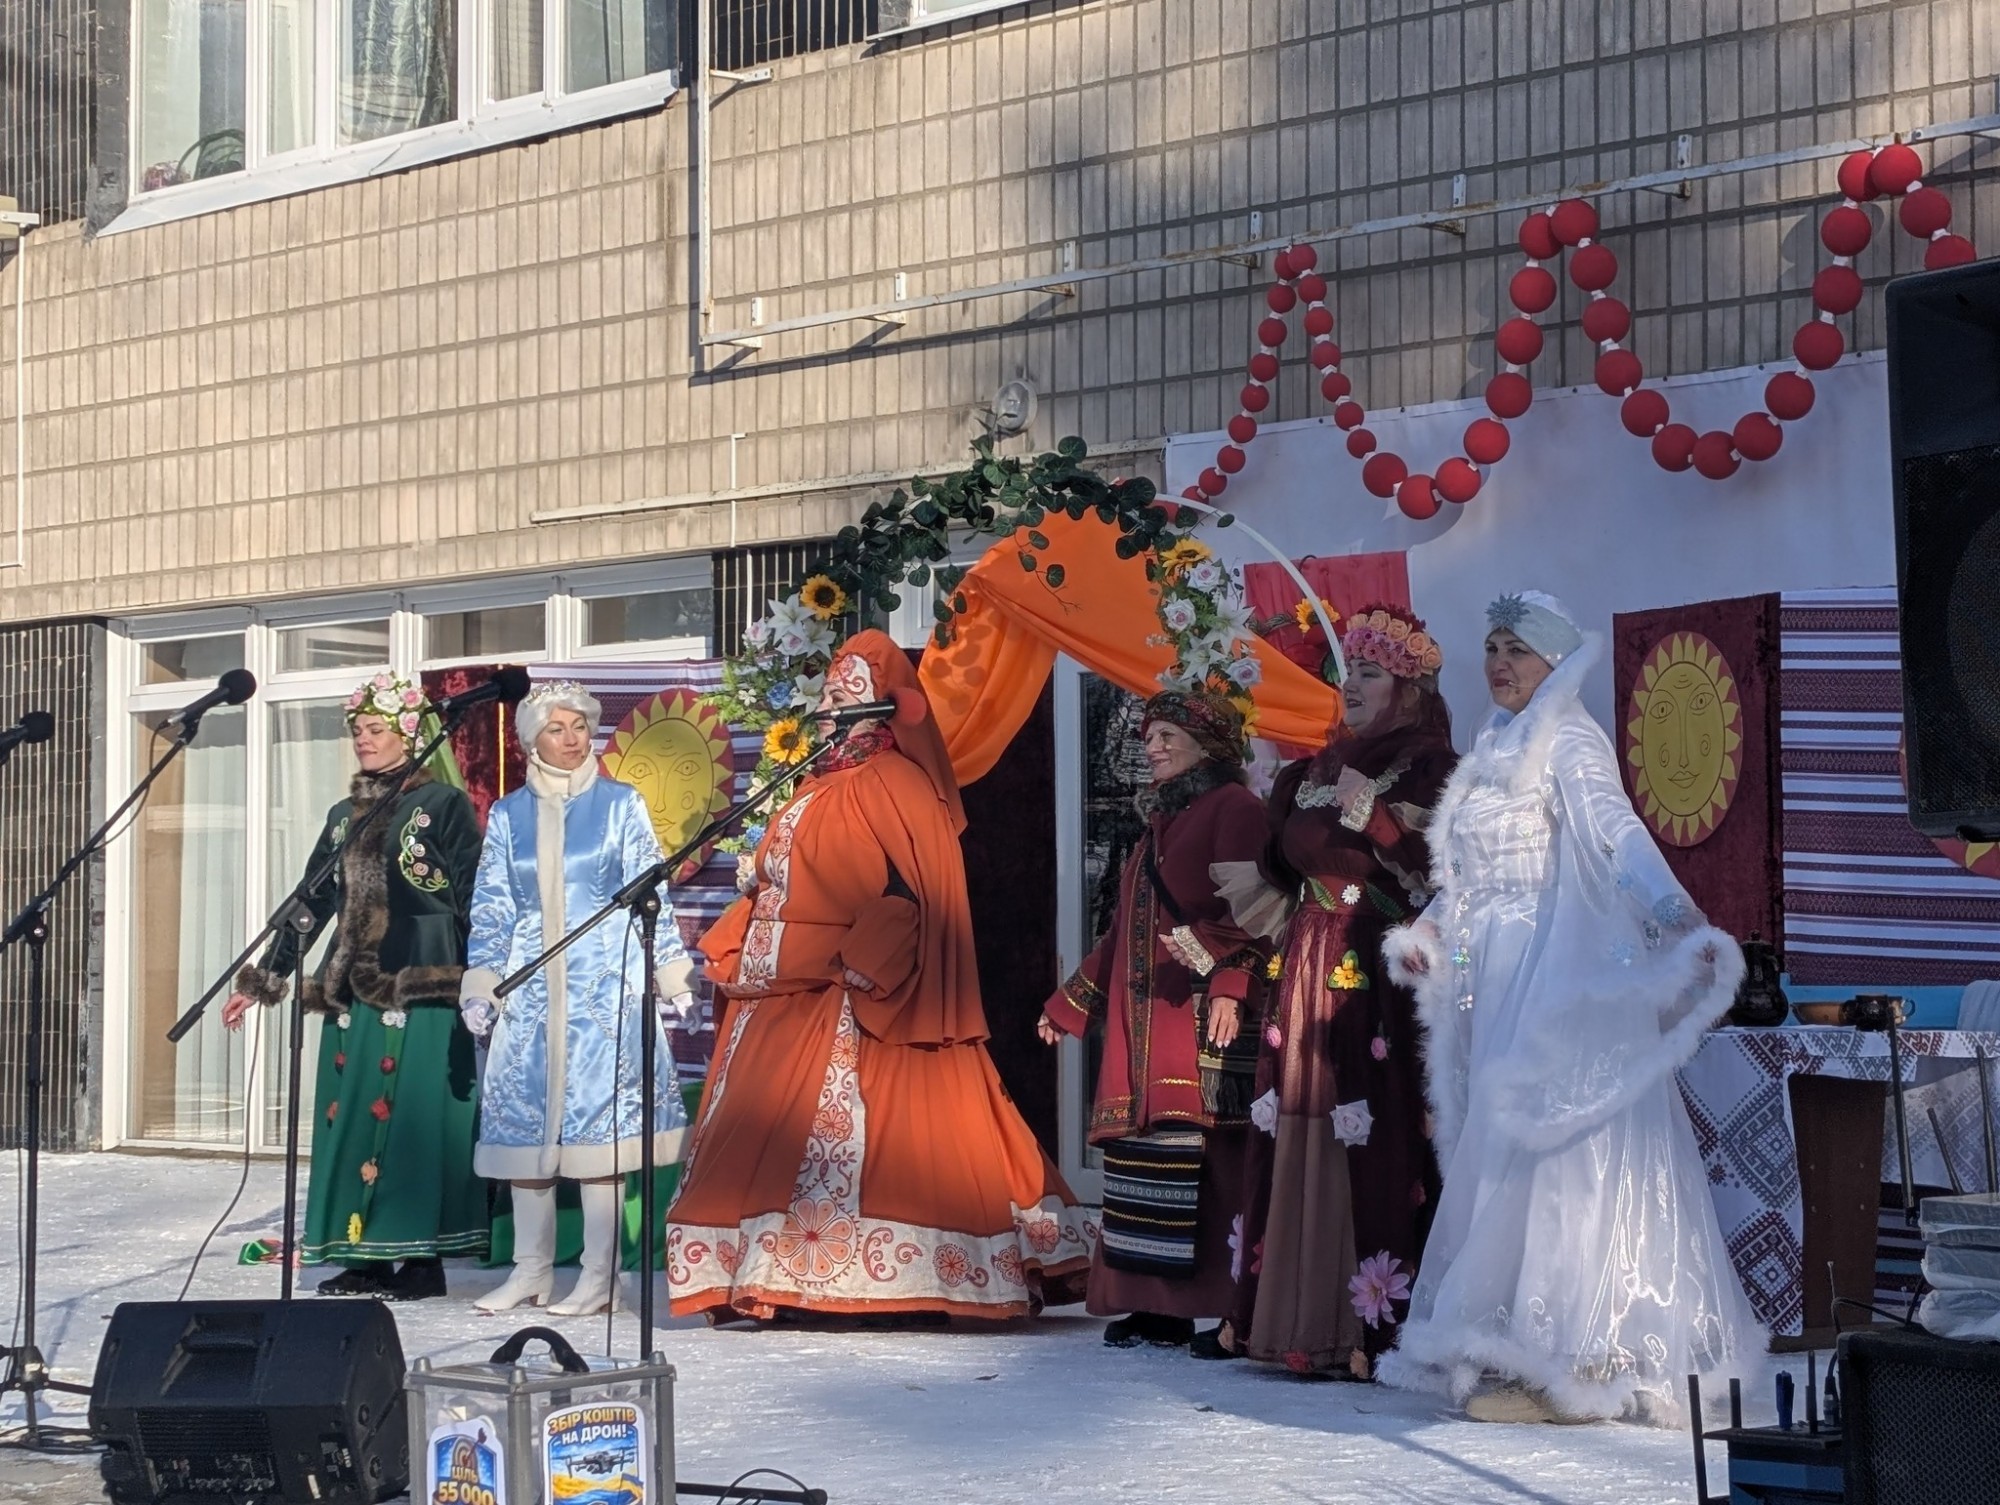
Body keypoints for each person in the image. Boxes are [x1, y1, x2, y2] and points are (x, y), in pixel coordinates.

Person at [1378, 592, 1763, 1424]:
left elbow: (1614, 834)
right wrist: (1428, 927)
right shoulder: (1493, 744)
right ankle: (1518, 1346)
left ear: (1553, 659)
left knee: (1554, 1161)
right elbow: (1471, 875)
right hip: (1492, 978)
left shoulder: (1569, 737)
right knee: (1500, 1158)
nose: (1498, 662)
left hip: (1551, 971)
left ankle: (1573, 1355)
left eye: (1516, 647)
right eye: (1491, 645)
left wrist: (1674, 914)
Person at [666, 629, 1092, 1322]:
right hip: (781, 994)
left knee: (864, 1139)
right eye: (827, 695)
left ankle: (863, 1279)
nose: (827, 707)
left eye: (843, 696)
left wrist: (869, 958)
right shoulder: (815, 783)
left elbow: (919, 890)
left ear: (882, 708)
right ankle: (768, 1275)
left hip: (850, 997)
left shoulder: (895, 781)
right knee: (769, 1139)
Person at [1205, 605, 1456, 1377]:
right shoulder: (1313, 770)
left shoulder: (1429, 768)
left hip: (1373, 968)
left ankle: (1372, 1328)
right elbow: (1281, 868)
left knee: (1370, 1124)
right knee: (1294, 1118)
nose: (1351, 687)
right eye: (1347, 673)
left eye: (1370, 674)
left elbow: (1446, 874)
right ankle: (1286, 1315)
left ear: (1408, 687)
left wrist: (1378, 821)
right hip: (1304, 962)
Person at [225, 674, 485, 1299]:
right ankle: (362, 1253)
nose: (363, 740)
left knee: (415, 1119)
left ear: (410, 735)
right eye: (358, 730)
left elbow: (475, 895)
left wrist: (487, 974)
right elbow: (310, 903)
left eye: (376, 729)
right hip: (352, 988)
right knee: (352, 1117)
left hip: (423, 983)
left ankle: (421, 1259)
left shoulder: (443, 805)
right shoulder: (343, 817)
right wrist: (265, 979)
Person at [1041, 690, 1272, 1351]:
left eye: (1168, 734)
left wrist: (1231, 987)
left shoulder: (1236, 809)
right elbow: (1123, 930)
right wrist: (1070, 1004)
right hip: (1144, 1027)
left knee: (1210, 1164)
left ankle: (1227, 1308)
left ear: (1209, 744)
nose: (1154, 746)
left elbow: (1254, 911)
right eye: (1149, 737)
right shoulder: (1159, 824)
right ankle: (1156, 1306)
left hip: (1197, 1019)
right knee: (1146, 1159)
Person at [459, 681, 695, 1316]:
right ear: (531, 739)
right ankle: (531, 1271)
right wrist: (482, 983)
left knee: (600, 1141)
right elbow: (494, 905)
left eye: (580, 726)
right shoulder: (508, 815)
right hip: (530, 991)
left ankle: (599, 1279)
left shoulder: (620, 804)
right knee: (523, 1135)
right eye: (556, 728)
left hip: (602, 990)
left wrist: (670, 976)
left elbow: (651, 896)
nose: (571, 739)